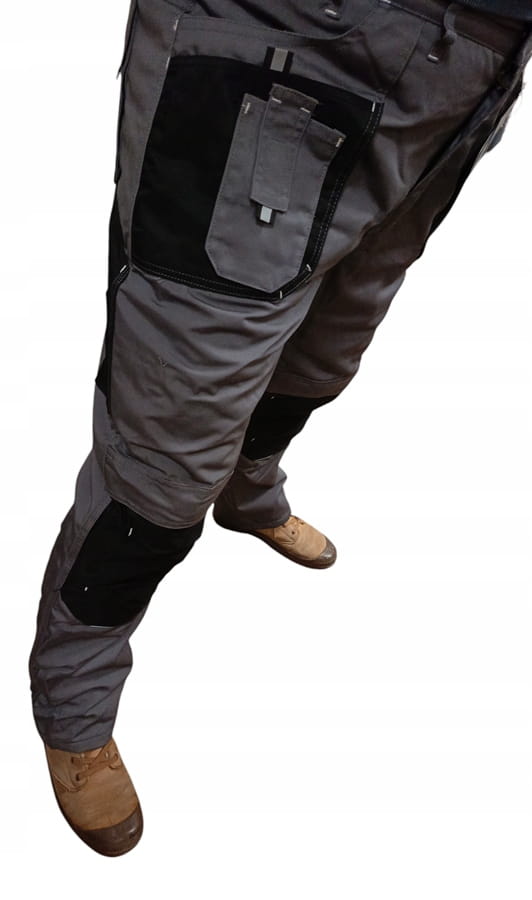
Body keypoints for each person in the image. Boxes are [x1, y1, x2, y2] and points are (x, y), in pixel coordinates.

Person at [29, 0, 532, 857]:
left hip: (466, 72)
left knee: (324, 353)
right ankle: (71, 696)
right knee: (167, 449)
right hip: (290, 39)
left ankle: (249, 490)